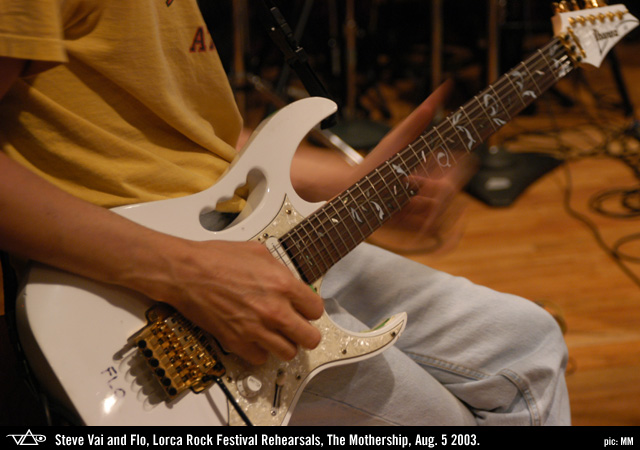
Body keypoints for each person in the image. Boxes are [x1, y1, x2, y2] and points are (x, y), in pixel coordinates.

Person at [0, 1, 571, 425]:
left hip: (242, 235)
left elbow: (181, 139)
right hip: (144, 296)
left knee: (529, 345)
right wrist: (185, 272)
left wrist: (348, 182)